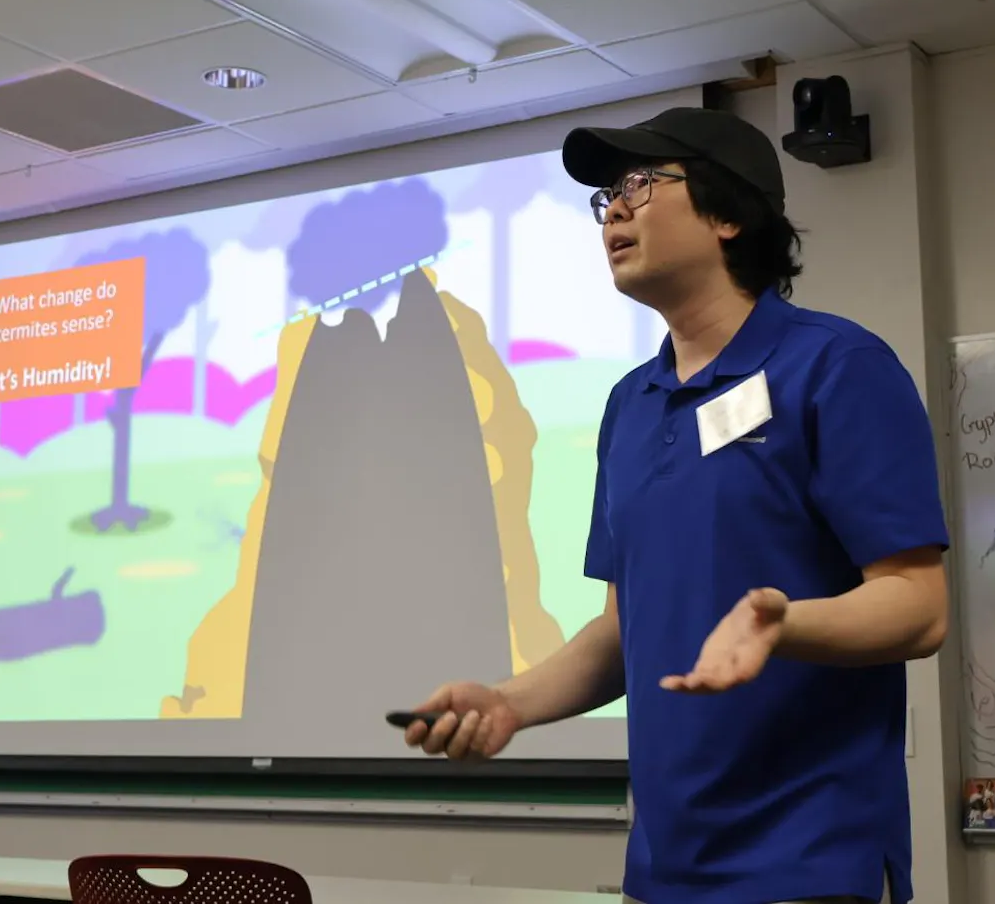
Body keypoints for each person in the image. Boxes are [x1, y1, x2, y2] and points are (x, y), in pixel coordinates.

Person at [399, 107, 951, 904]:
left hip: (807, 861)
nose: (613, 210)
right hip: (661, 870)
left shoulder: (837, 367)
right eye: (604, 198)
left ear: (728, 214)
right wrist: (510, 702)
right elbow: (627, 628)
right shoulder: (631, 405)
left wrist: (784, 623)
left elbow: (919, 606)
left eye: (638, 183)